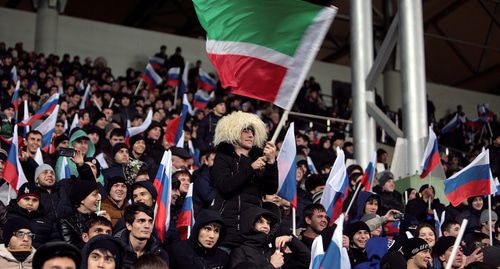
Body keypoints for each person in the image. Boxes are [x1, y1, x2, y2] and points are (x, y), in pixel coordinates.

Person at [210, 111, 278, 248]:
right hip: (228, 229)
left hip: (252, 229)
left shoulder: (260, 160)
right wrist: (251, 168)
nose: (251, 135)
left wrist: (271, 164)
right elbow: (225, 186)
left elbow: (270, 188)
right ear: (233, 132)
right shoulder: (223, 157)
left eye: (252, 131)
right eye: (245, 130)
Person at [115, 203, 168, 268]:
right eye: (141, 221)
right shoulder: (115, 251)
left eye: (150, 222)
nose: (147, 226)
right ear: (129, 225)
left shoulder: (159, 254)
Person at [58, 179, 103, 249]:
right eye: (94, 195)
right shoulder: (66, 222)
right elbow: (72, 249)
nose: (99, 198)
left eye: (98, 194)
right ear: (82, 199)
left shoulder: (99, 218)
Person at [6, 182, 52, 248]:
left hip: (39, 257)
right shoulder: (6, 216)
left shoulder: (47, 221)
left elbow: (54, 245)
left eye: (35, 200)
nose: (30, 203)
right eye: (26, 199)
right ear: (18, 201)